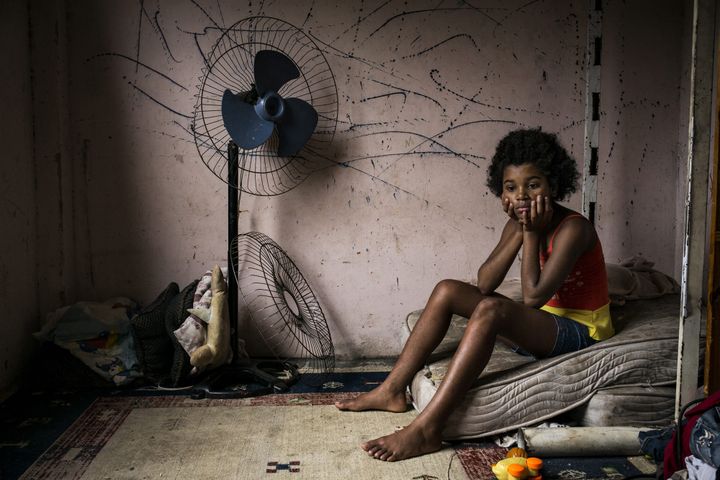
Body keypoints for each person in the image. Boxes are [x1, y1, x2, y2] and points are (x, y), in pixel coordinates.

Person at [335, 128, 614, 462]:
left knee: (492, 311)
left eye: (533, 184)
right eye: (511, 188)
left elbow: (533, 297)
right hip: (541, 325)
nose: (522, 195)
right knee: (447, 290)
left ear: (553, 185)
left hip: (581, 331)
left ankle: (428, 429)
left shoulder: (574, 228)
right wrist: (520, 232)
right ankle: (393, 389)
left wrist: (531, 233)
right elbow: (484, 283)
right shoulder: (521, 224)